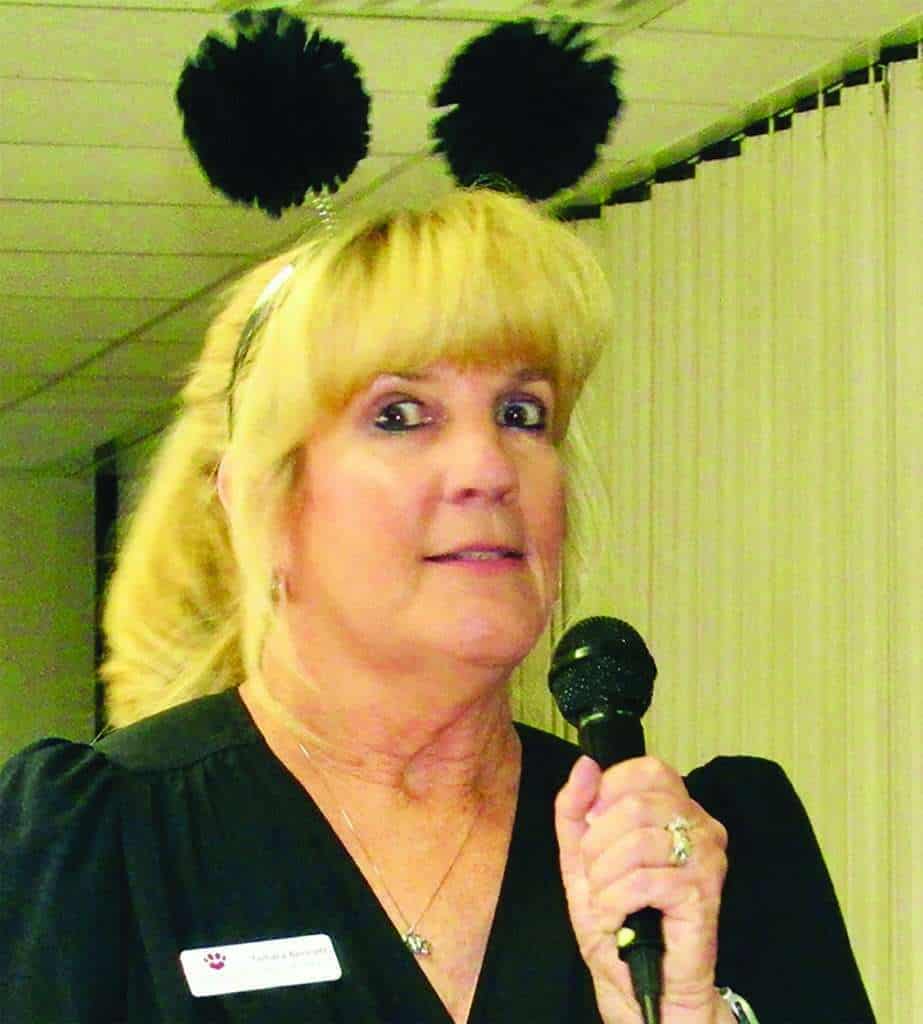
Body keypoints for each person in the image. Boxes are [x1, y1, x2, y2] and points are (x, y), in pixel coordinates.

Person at [0, 189, 874, 1024]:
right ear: (263, 502)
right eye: (401, 414)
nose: (488, 468)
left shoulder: (691, 856)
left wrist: (683, 1011)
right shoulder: (91, 847)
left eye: (521, 413)